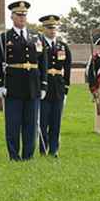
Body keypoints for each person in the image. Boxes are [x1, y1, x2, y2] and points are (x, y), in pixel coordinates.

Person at [0, 1, 47, 161]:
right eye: (19, 15)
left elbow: (43, 63)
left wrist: (43, 85)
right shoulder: (3, 39)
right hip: (13, 86)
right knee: (13, 124)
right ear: (12, 17)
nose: (22, 18)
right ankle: (14, 155)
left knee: (31, 124)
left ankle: (28, 155)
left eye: (24, 15)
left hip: (32, 86)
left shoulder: (37, 38)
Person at [38, 15, 72, 157]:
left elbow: (67, 69)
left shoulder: (62, 46)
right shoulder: (39, 45)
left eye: (54, 28)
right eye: (49, 28)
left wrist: (65, 90)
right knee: (43, 120)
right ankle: (43, 148)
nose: (52, 31)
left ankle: (54, 149)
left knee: (56, 121)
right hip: (44, 86)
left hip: (58, 86)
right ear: (44, 28)